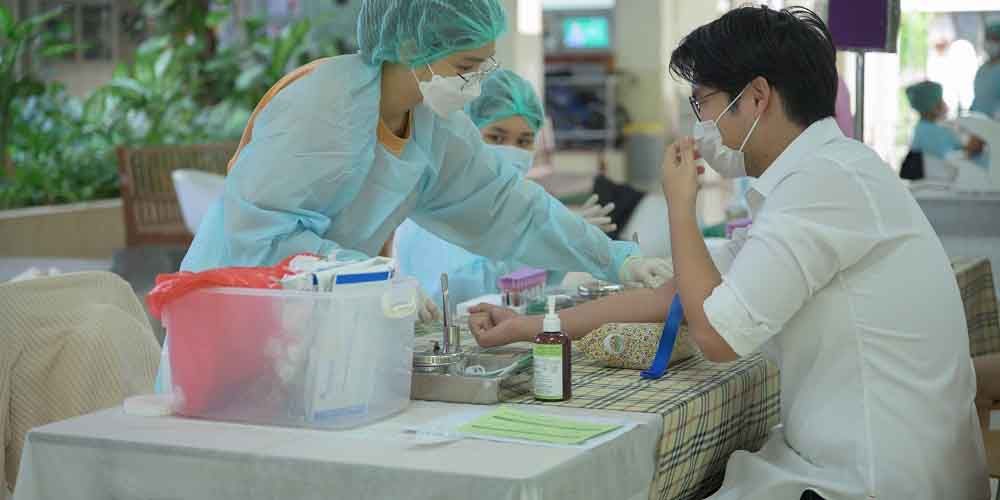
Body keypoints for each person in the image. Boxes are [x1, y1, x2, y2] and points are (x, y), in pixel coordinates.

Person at [469, 6, 989, 499]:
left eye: (704, 103)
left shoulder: (823, 183)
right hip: (863, 460)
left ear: (757, 97)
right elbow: (678, 295)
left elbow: (716, 335)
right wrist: (528, 327)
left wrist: (680, 206)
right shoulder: (826, 173)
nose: (700, 124)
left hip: (869, 479)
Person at [155, 0, 671, 393]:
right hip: (233, 323)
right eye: (468, 65)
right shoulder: (322, 108)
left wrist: (615, 260)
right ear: (412, 47)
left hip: (314, 334)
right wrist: (373, 275)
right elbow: (262, 239)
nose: (476, 83)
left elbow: (507, 207)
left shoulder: (431, 123)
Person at [393, 69, 616, 306]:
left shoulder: (518, 202)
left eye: (523, 141)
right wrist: (543, 245)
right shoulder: (437, 202)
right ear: (466, 134)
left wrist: (565, 242)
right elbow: (453, 293)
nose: (511, 150)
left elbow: (537, 290)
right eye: (496, 138)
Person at [906, 80, 984, 165]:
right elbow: (949, 159)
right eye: (941, 100)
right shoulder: (929, 132)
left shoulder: (926, 128)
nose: (945, 105)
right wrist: (970, 151)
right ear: (934, 108)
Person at [972, 22, 1000, 119]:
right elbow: (978, 99)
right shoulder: (982, 70)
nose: (990, 43)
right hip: (979, 124)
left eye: (995, 40)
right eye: (988, 39)